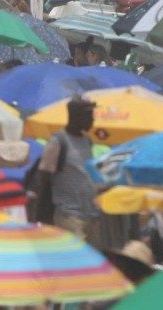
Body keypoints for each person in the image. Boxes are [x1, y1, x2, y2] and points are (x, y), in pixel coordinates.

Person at [29, 95, 100, 246]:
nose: (93, 120)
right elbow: (42, 178)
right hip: (69, 216)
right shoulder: (58, 142)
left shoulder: (87, 141)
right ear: (77, 116)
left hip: (91, 215)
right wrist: (38, 218)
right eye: (89, 115)